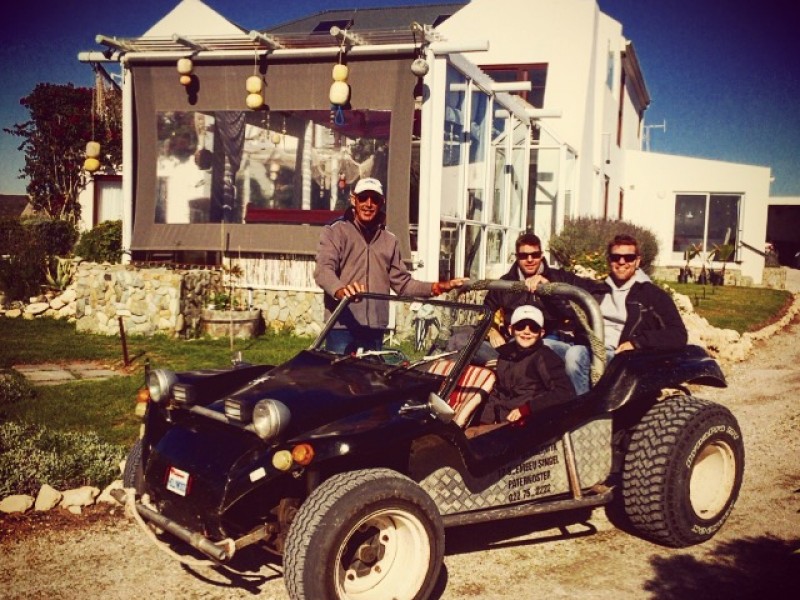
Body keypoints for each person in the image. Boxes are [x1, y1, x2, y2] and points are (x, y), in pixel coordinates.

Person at [314, 177, 466, 353]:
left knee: (372, 379)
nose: (369, 204)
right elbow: (323, 270)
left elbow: (404, 284)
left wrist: (439, 287)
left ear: (382, 202)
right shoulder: (335, 231)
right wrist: (340, 290)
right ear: (353, 199)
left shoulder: (390, 240)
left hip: (375, 329)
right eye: (363, 197)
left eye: (375, 199)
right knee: (338, 379)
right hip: (341, 325)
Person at [551, 233, 688, 395]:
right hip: (589, 347)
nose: (622, 262)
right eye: (616, 257)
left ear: (637, 261)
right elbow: (568, 279)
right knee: (546, 346)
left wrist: (637, 343)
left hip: (621, 358)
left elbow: (678, 334)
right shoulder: (597, 289)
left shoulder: (652, 295)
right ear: (609, 261)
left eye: (628, 258)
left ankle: (586, 415)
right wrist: (540, 276)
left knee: (576, 355)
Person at [481, 232, 603, 371]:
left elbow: (589, 295)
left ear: (541, 255)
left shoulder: (559, 277)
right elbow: (485, 311)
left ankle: (508, 365)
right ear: (516, 257)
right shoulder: (504, 284)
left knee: (537, 352)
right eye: (524, 256)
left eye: (535, 254)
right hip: (515, 338)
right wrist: (491, 331)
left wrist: (549, 288)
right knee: (466, 344)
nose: (530, 259)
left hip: (550, 339)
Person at [479, 305, 576, 425]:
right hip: (502, 420)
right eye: (520, 326)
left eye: (534, 328)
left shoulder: (545, 357)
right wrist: (485, 421)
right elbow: (498, 392)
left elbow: (565, 392)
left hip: (529, 423)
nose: (526, 331)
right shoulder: (505, 355)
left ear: (541, 333)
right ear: (511, 330)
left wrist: (527, 409)